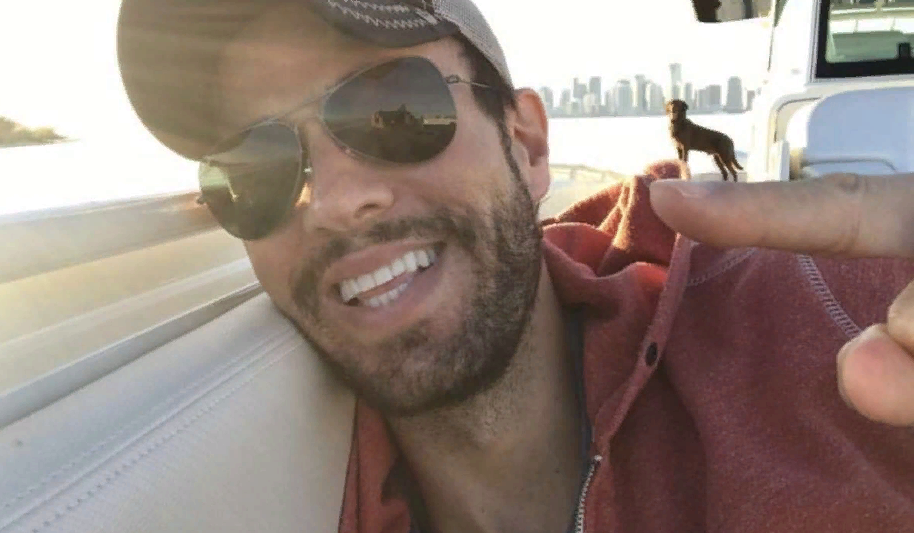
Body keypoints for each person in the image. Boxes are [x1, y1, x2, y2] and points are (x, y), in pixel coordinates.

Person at [116, 0, 914, 531]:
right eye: (254, 168)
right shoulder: (263, 496)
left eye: (391, 110)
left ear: (527, 145)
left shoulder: (830, 325)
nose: (332, 202)